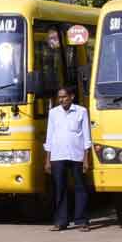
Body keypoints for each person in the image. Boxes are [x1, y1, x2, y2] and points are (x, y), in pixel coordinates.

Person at [45, 84, 93, 231]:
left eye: (64, 97)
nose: (62, 100)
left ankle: (82, 221)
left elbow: (86, 136)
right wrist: (47, 159)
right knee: (60, 188)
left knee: (80, 188)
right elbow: (50, 136)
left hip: (77, 155)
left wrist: (86, 158)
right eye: (59, 97)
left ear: (72, 97)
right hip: (57, 155)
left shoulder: (81, 111)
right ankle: (61, 221)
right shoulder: (53, 113)